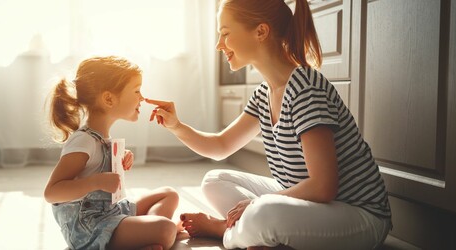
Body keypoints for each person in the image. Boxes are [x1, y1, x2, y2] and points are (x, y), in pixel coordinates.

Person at [146, 0, 392, 249]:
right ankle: (261, 233)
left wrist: (256, 203)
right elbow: (220, 146)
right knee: (214, 180)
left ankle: (225, 229)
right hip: (312, 203)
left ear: (261, 32)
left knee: (264, 212)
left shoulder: (306, 89)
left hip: (359, 215)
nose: (219, 45)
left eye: (226, 34)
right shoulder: (264, 93)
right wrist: (177, 126)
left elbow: (323, 186)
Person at [44, 56, 180, 250]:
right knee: (166, 229)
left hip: (112, 211)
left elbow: (97, 164)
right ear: (109, 99)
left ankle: (146, 235)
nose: (141, 97)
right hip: (90, 228)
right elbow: (52, 193)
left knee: (169, 194)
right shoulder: (83, 141)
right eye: (136, 91)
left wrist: (122, 156)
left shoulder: (101, 137)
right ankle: (150, 235)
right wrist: (95, 182)